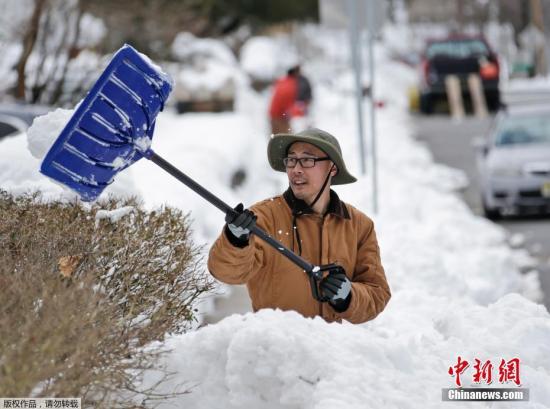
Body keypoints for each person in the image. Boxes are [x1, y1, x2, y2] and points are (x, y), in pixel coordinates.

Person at [208, 128, 391, 324]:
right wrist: (235, 240)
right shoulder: (263, 219)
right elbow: (226, 273)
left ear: (333, 168)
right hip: (279, 347)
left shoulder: (358, 225)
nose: (296, 169)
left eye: (307, 160)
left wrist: (349, 297)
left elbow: (377, 293)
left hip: (334, 349)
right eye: (291, 160)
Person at [268, 65, 312, 135]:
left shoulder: (283, 81)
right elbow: (288, 105)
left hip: (274, 115)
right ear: (295, 73)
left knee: (276, 139)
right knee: (283, 140)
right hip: (280, 117)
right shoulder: (292, 85)